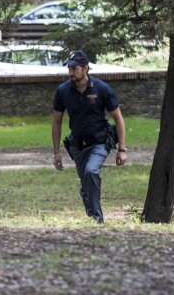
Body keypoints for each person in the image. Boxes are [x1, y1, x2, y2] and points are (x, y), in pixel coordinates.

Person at [51, 49, 127, 224]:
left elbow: (118, 118)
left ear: (85, 68)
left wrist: (121, 149)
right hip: (77, 146)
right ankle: (90, 206)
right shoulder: (62, 91)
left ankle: (97, 219)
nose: (70, 72)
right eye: (68, 68)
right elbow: (56, 122)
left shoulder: (102, 88)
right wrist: (56, 153)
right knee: (86, 184)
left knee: (91, 171)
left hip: (100, 142)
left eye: (74, 68)